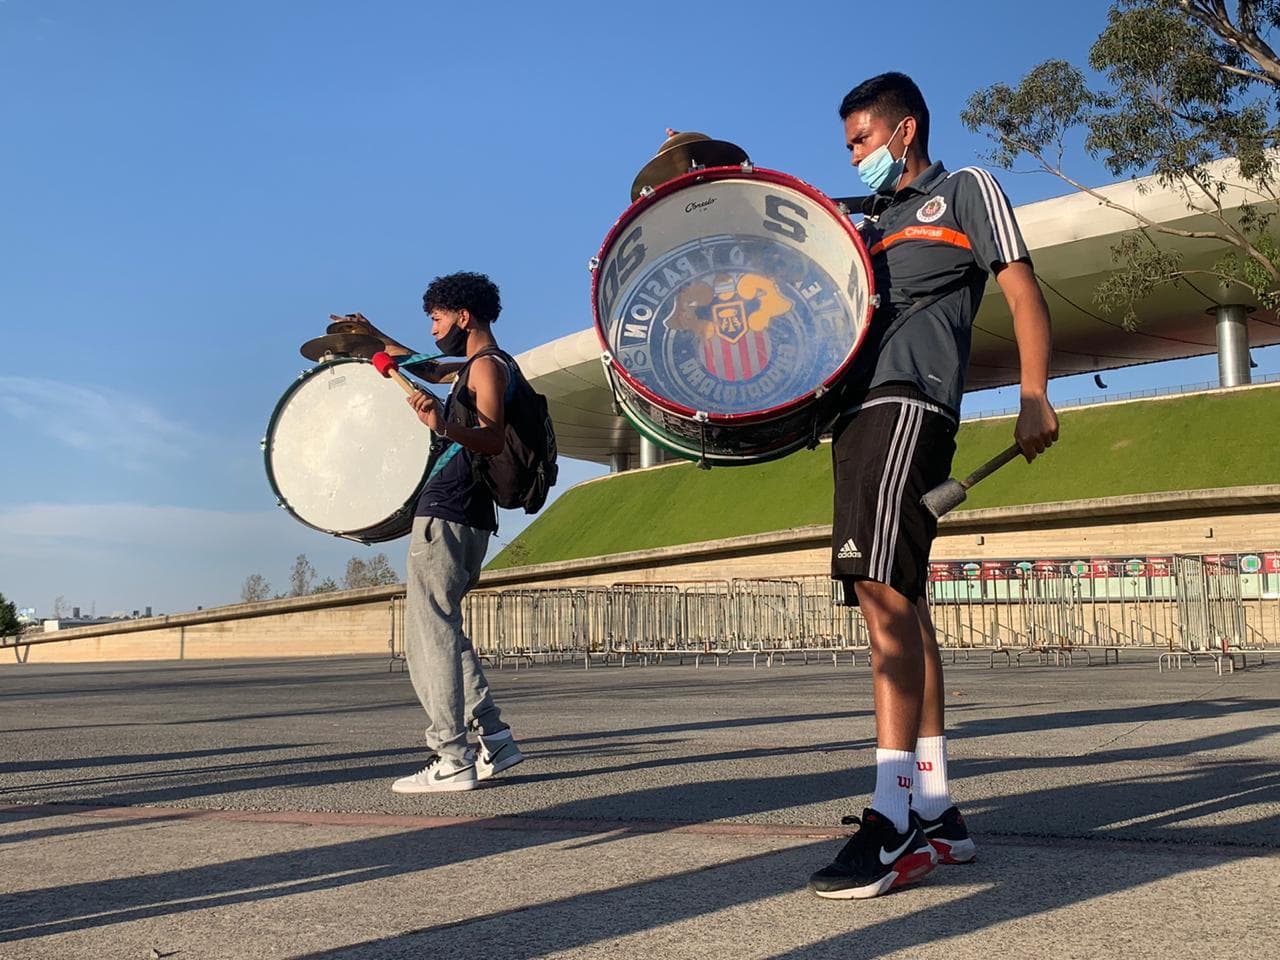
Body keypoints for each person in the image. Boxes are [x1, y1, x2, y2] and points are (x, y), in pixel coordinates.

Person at [807, 73, 1059, 899]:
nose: (854, 155)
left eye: (860, 140)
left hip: (909, 405)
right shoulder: (864, 224)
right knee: (904, 602)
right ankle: (940, 811)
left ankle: (891, 820)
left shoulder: (963, 191)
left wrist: (1033, 394)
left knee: (880, 594)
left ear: (903, 131)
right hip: (859, 415)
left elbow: (1022, 292)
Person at [339, 271, 525, 793]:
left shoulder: (486, 368)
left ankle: (451, 755)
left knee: (428, 637)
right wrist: (373, 338)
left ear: (463, 317)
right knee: (443, 629)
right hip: (464, 514)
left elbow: (489, 439)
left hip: (451, 510)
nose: (433, 327)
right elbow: (426, 365)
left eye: (438, 317)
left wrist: (443, 426)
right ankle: (495, 738)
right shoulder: (480, 365)